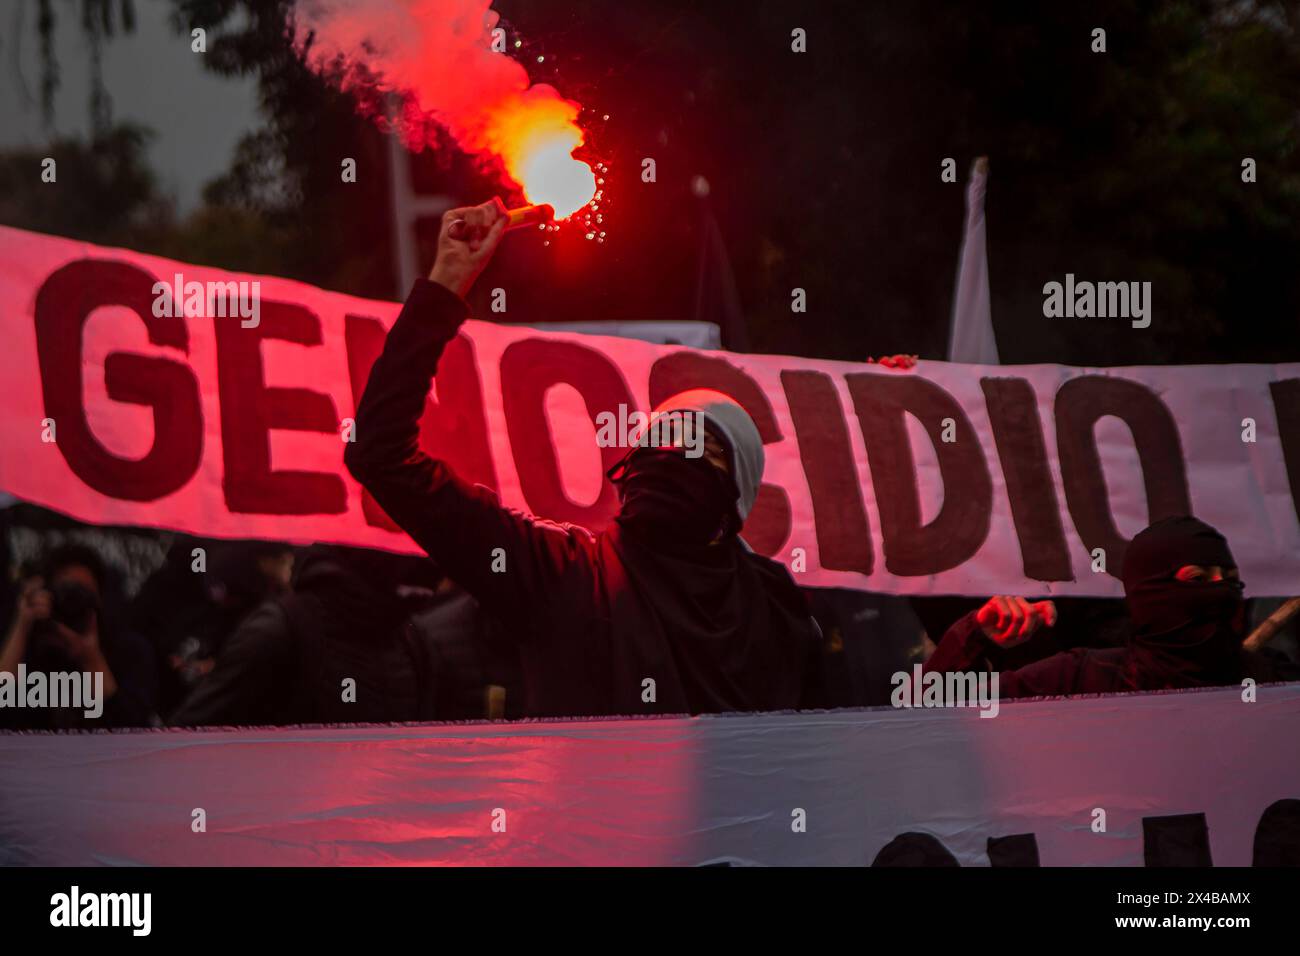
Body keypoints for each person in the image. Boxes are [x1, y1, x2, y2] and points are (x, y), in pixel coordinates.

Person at [345, 198, 823, 718]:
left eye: (704, 451)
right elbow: (382, 455)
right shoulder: (560, 574)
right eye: (661, 443)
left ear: (738, 493)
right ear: (632, 463)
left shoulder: (778, 610)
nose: (675, 459)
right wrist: (444, 288)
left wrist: (910, 416)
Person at [923, 515, 1296, 697]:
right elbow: (923, 711)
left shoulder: (1277, 682)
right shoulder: (1079, 680)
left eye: (1229, 579)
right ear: (1150, 592)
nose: (1221, 592)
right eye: (1197, 579)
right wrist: (972, 637)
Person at [0, 544, 158, 728]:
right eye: (65, 591)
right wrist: (22, 622)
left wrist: (91, 659)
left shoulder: (129, 650)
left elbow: (132, 732)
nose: (73, 601)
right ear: (46, 596)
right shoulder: (29, 645)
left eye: (83, 593)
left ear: (100, 599)